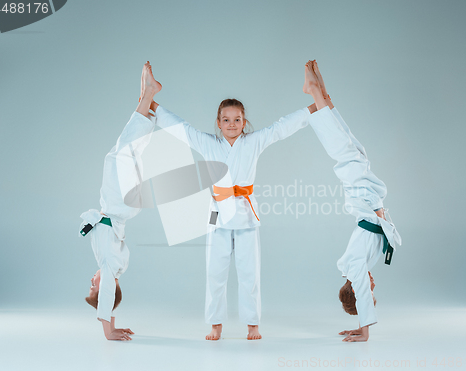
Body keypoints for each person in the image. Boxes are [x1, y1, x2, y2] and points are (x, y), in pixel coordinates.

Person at [150, 78, 318, 341]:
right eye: (226, 120)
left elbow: (280, 128)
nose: (231, 125)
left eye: (237, 119)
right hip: (217, 214)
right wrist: (152, 105)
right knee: (215, 271)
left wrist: (311, 108)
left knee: (249, 272)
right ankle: (215, 323)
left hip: (246, 216)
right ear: (218, 123)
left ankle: (253, 324)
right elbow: (181, 129)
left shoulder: (253, 142)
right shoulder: (208, 143)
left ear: (244, 122)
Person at [303, 60, 402, 342]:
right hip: (368, 192)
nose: (373, 286)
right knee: (351, 146)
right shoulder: (362, 262)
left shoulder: (356, 266)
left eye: (369, 290)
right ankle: (323, 93)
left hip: (362, 194)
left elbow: (363, 295)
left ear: (358, 289)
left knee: (343, 148)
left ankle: (314, 93)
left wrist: (364, 330)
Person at [79, 62, 162, 341]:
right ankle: (147, 96)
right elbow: (107, 296)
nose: (91, 281)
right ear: (106, 287)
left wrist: (115, 321)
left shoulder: (116, 267)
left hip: (127, 207)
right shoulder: (109, 266)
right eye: (94, 288)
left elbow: (110, 297)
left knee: (131, 152)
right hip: (118, 204)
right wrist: (108, 331)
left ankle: (145, 101)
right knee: (120, 153)